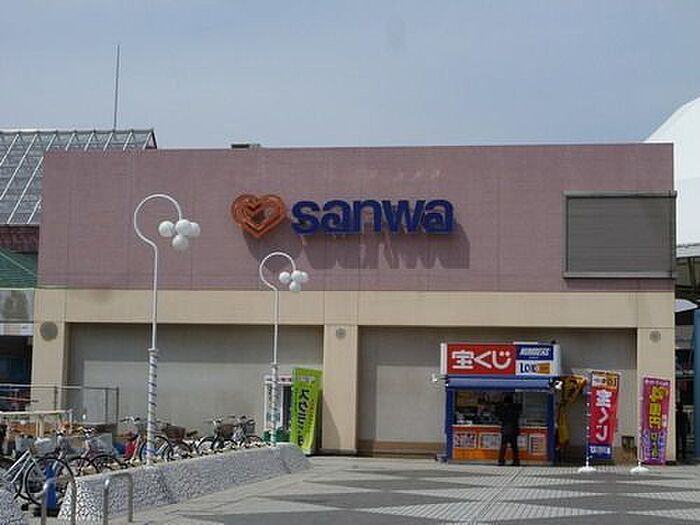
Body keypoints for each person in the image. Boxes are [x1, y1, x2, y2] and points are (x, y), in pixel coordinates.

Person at [496, 394, 522, 466]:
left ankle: (501, 461)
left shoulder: (503, 409)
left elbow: (500, 418)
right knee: (514, 447)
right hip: (514, 430)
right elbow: (518, 416)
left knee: (503, 446)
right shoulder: (515, 409)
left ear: (505, 402)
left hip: (505, 430)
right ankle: (516, 461)